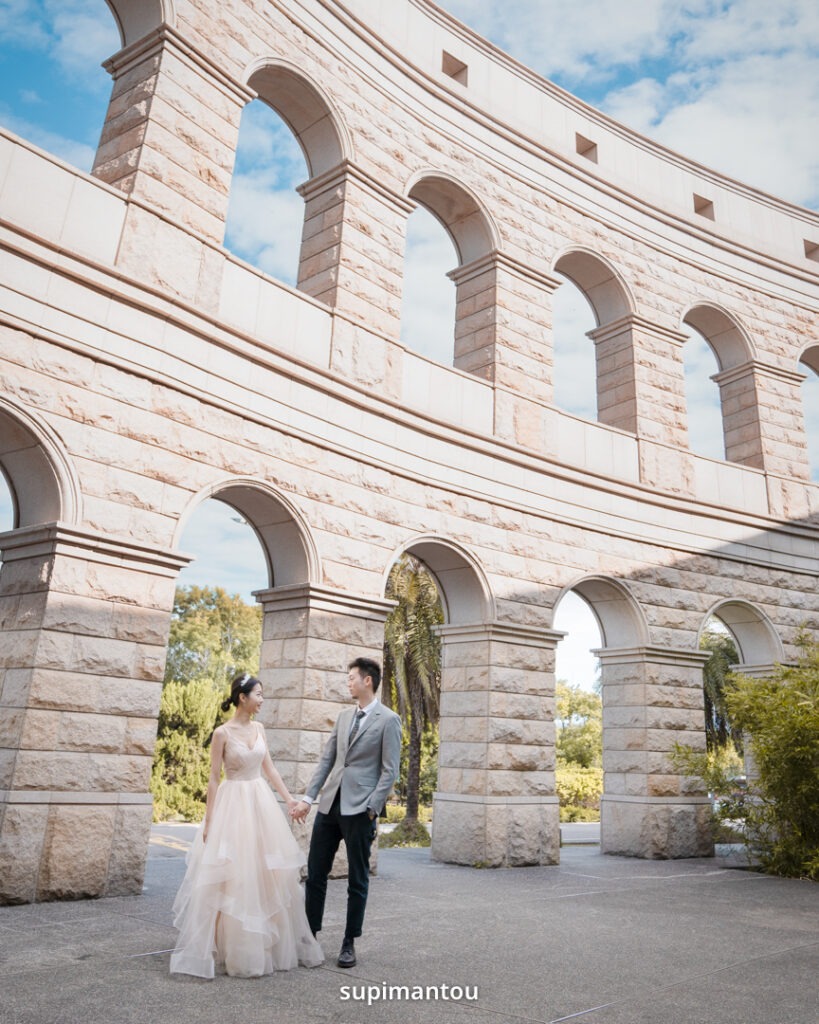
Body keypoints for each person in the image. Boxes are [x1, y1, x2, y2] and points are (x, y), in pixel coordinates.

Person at [170, 673, 323, 979]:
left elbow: (270, 770)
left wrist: (290, 800)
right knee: (231, 874)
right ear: (242, 697)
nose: (262, 700)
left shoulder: (260, 729)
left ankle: (262, 944)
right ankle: (225, 945)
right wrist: (209, 819)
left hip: (260, 803)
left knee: (262, 873)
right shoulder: (221, 734)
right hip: (232, 804)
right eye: (258, 694)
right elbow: (214, 778)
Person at [291, 657, 402, 969]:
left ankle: (349, 942)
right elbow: (328, 761)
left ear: (368, 680)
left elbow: (389, 770)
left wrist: (371, 808)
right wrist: (308, 798)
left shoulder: (388, 720)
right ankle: (310, 936)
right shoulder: (342, 717)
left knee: (357, 878)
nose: (348, 682)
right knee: (315, 874)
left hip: (360, 810)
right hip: (329, 805)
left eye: (352, 677)